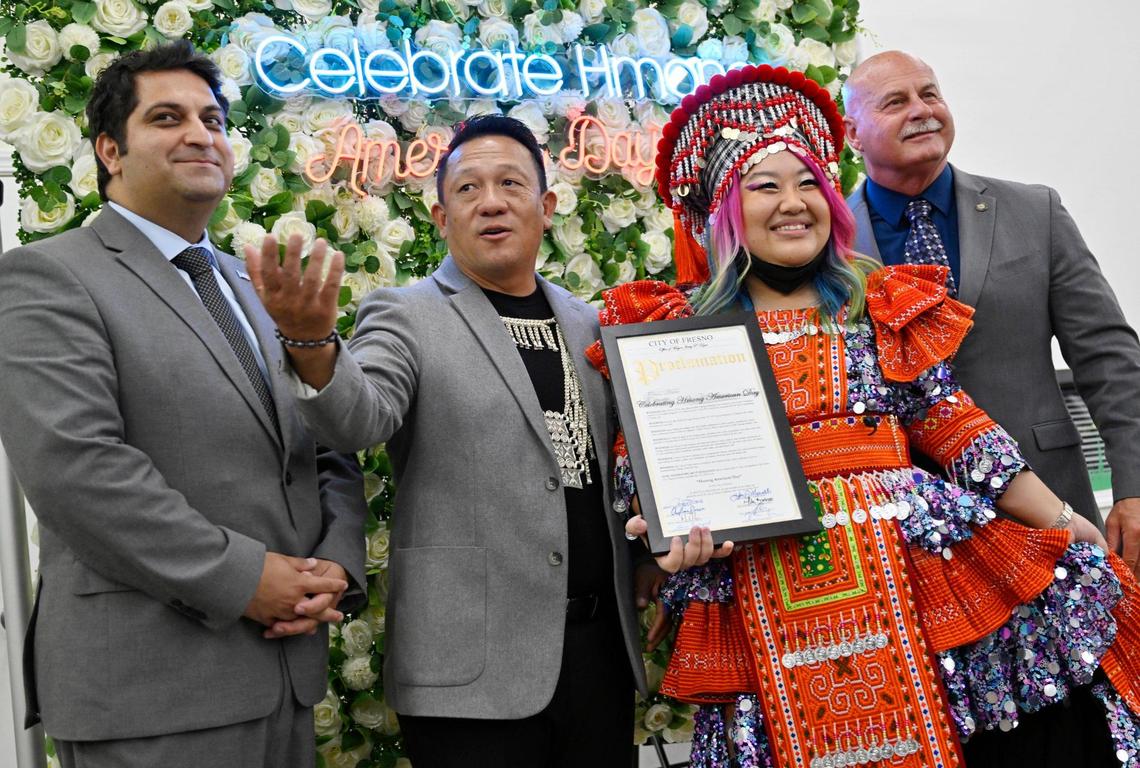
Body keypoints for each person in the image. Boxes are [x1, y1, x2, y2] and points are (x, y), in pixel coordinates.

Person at [599, 65, 1140, 768]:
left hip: (911, 584)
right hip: (761, 597)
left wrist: (1067, 524)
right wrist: (669, 538)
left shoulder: (878, 304)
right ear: (722, 213)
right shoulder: (679, 336)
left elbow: (960, 430)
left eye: (810, 185)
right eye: (766, 186)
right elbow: (649, 478)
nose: (794, 204)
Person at [0, 41, 367, 768]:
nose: (201, 134)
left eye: (213, 118)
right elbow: (78, 471)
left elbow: (325, 446)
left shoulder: (252, 283)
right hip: (149, 692)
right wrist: (245, 579)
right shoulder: (48, 277)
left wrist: (337, 566)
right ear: (110, 149)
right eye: (167, 117)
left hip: (285, 675)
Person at [244, 114, 652, 767]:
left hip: (597, 657)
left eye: (511, 184)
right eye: (467, 189)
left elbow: (618, 468)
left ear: (546, 207)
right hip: (469, 673)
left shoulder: (589, 322)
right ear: (440, 216)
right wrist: (311, 343)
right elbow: (359, 420)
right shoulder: (404, 313)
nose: (490, 201)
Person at [842, 51, 1140, 576]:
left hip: (1053, 507)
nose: (922, 110)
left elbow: (1109, 359)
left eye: (930, 94)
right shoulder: (829, 243)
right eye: (896, 101)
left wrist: (1136, 487)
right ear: (853, 134)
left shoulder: (1034, 212)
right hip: (905, 531)